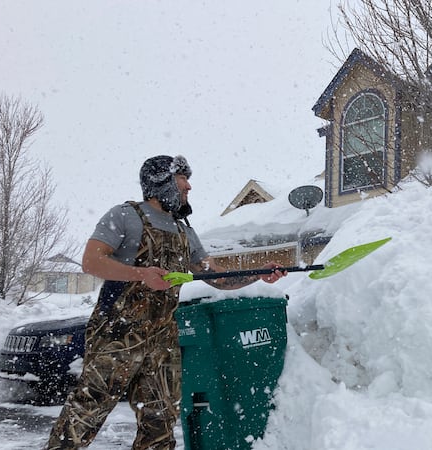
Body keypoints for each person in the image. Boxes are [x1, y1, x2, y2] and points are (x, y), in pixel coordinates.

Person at [44, 155, 286, 450]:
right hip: (117, 334)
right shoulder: (124, 215)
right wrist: (140, 274)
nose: (189, 186)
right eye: (183, 178)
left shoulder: (185, 231)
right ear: (162, 181)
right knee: (87, 411)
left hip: (163, 339)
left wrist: (258, 274)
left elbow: (214, 276)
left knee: (160, 420)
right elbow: (91, 261)